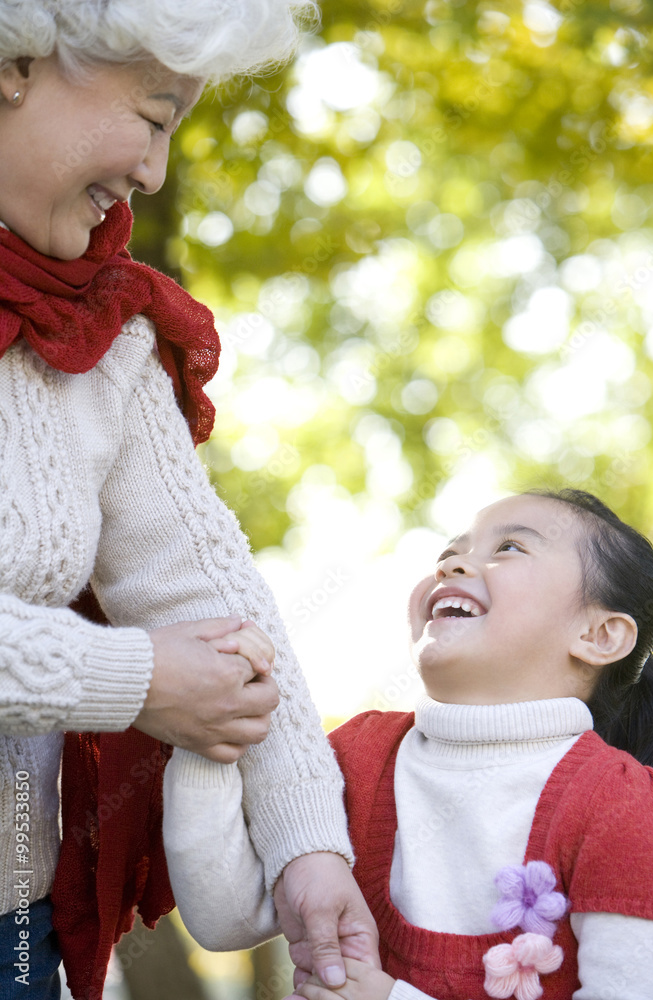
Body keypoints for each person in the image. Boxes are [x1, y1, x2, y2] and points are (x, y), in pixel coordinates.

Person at [0, 3, 380, 998]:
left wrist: (307, 846)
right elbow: (161, 663)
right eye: (155, 114)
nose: (155, 173)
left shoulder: (103, 334)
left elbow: (208, 592)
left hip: (14, 939)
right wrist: (132, 675)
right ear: (18, 65)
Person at [164, 488, 653, 1000]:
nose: (454, 566)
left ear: (600, 635)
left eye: (510, 548)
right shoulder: (359, 753)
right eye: (449, 555)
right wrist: (207, 722)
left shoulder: (622, 805)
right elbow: (227, 919)